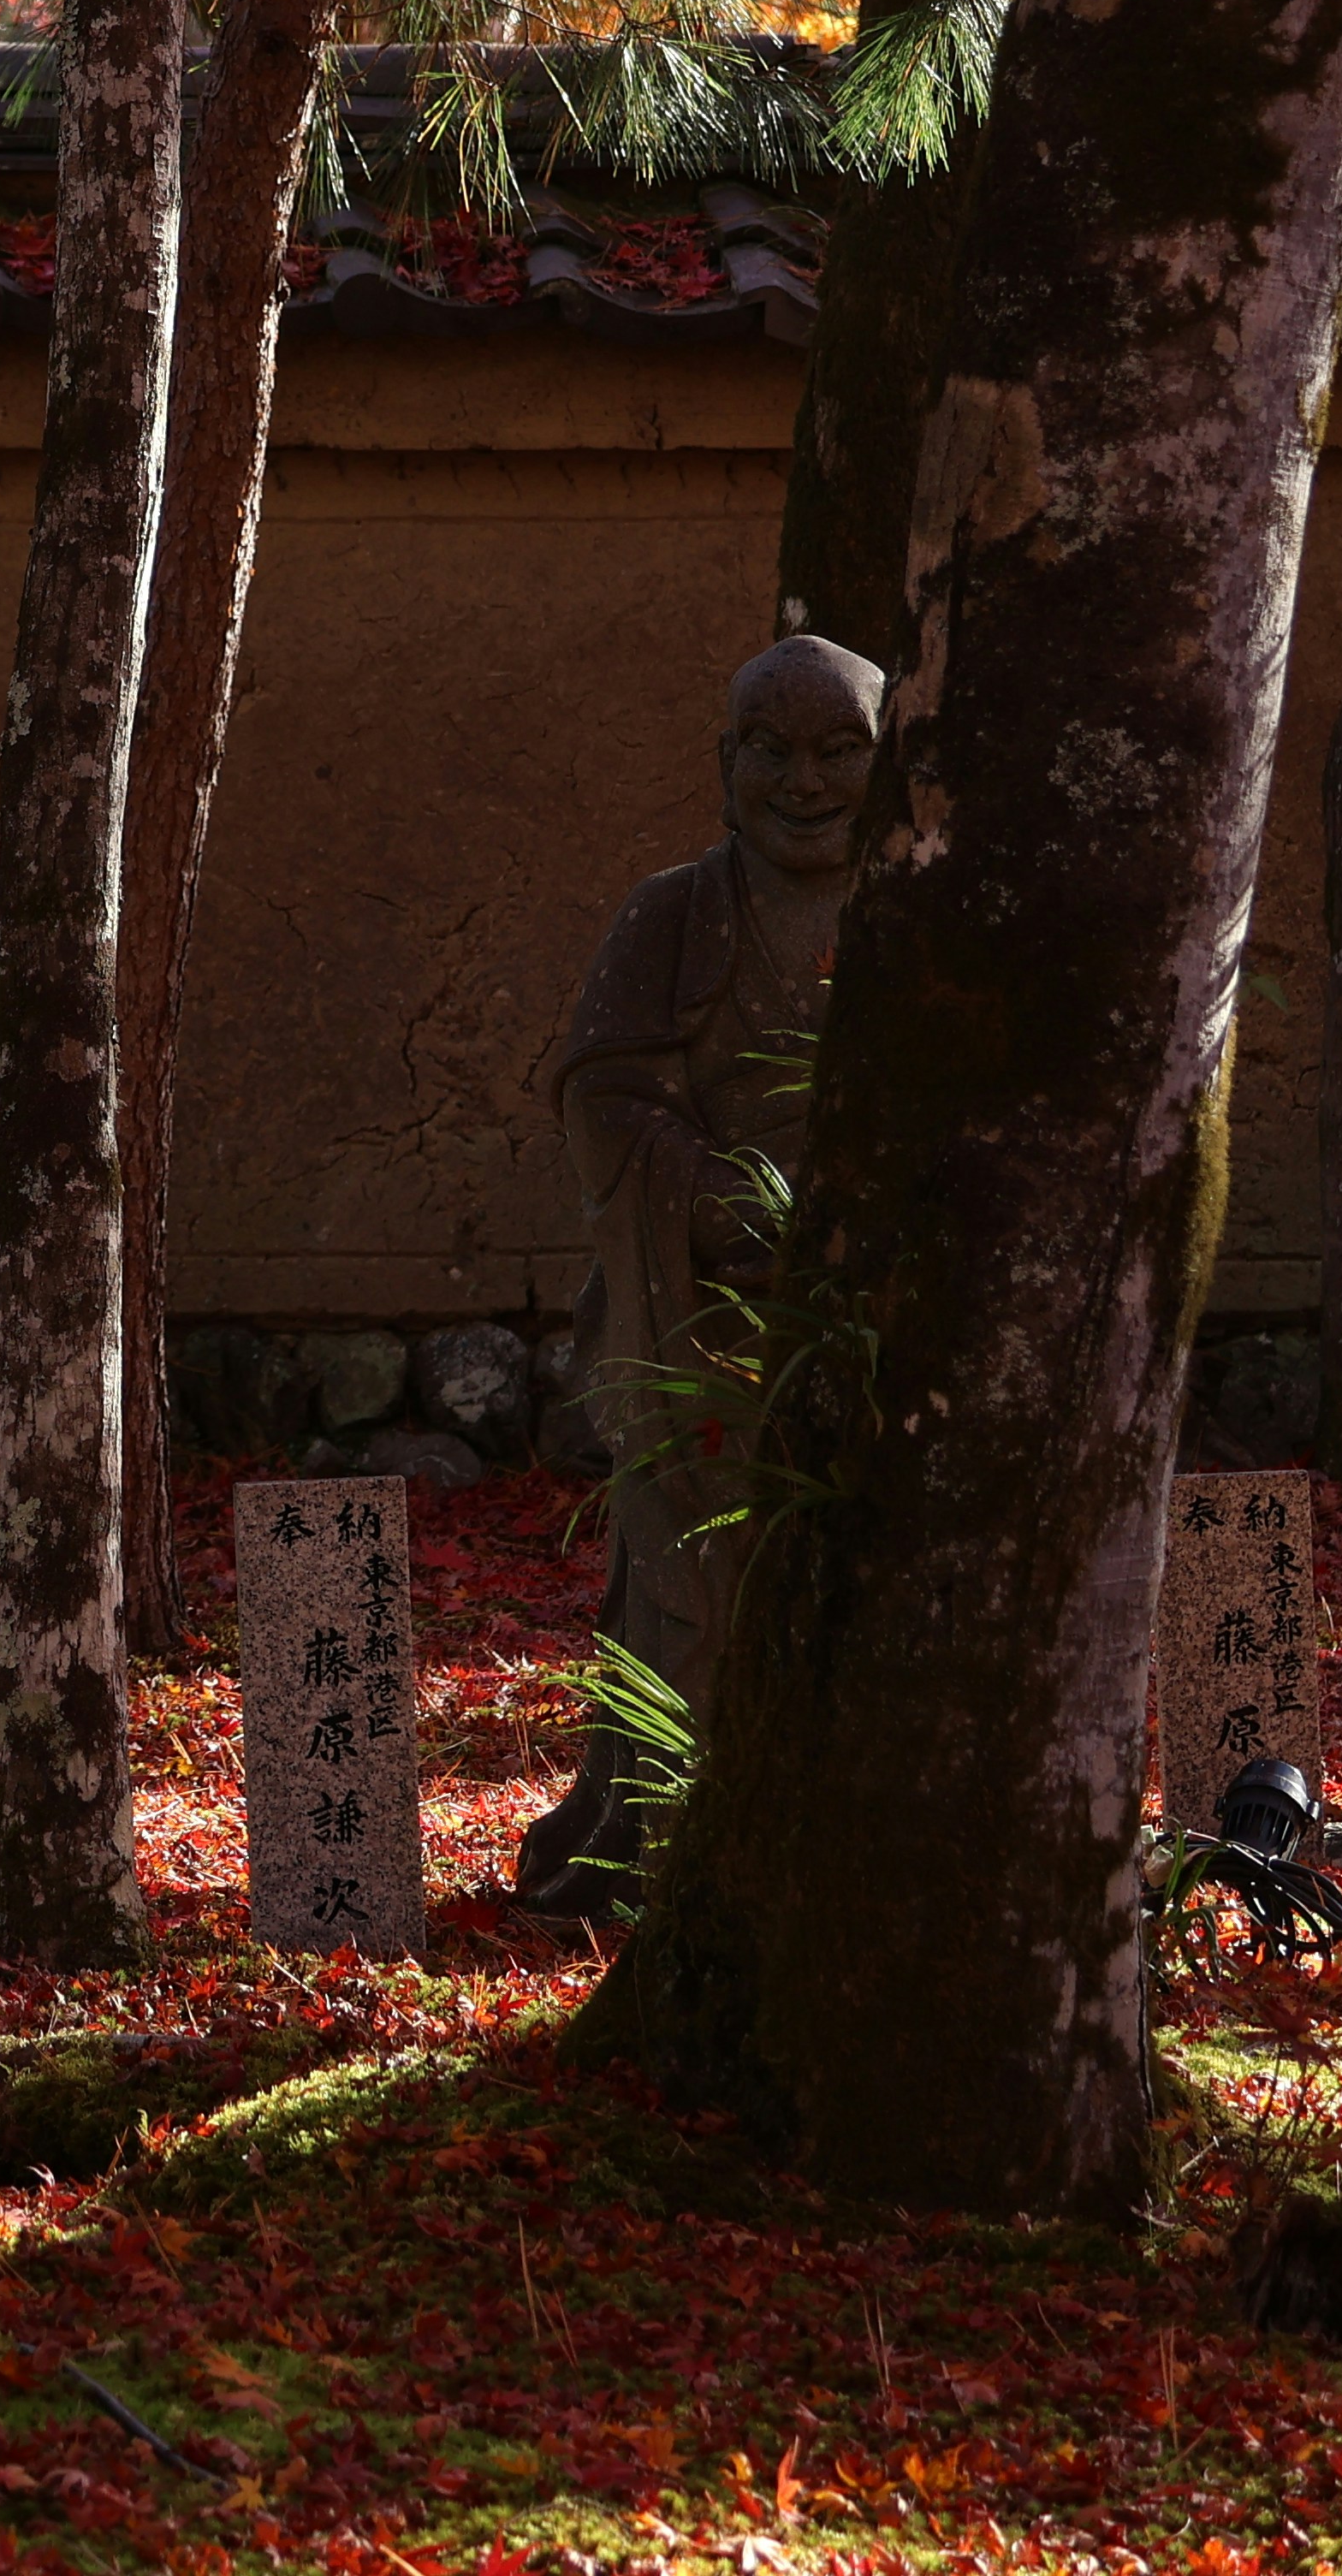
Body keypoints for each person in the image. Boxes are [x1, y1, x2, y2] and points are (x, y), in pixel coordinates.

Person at [508, 635, 883, 1914]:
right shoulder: (674, 914)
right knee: (694, 1587)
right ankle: (671, 1829)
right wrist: (720, 1196)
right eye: (770, 751)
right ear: (724, 764)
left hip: (880, 1323)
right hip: (702, 1315)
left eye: (840, 751)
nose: (803, 781)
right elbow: (601, 1092)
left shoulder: (920, 917)